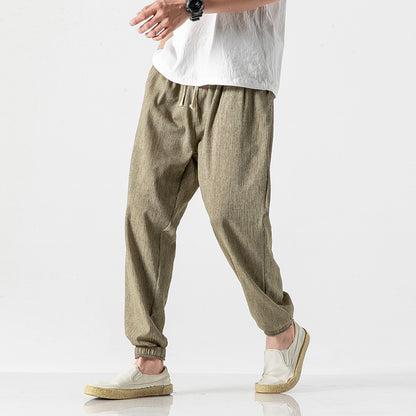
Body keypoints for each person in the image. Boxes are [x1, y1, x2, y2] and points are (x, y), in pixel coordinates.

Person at [84, 0, 310, 400]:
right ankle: (148, 360)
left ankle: (282, 332)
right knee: (145, 212)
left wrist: (191, 7)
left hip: (240, 77)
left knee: (232, 214)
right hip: (172, 74)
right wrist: (169, 25)